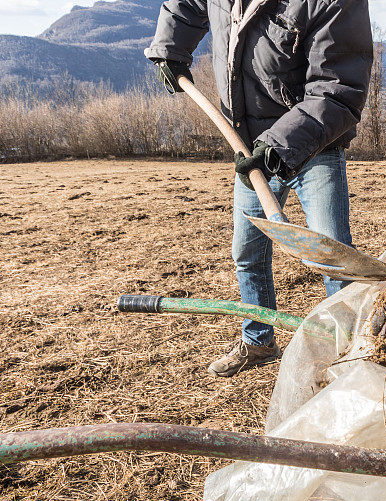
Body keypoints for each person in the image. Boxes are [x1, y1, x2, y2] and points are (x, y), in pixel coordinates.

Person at [145, 0, 373, 377]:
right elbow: (184, 5)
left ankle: (350, 353)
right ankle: (259, 340)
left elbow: (338, 89)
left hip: (314, 143)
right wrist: (170, 48)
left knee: (332, 257)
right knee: (247, 252)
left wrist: (281, 145)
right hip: (248, 147)